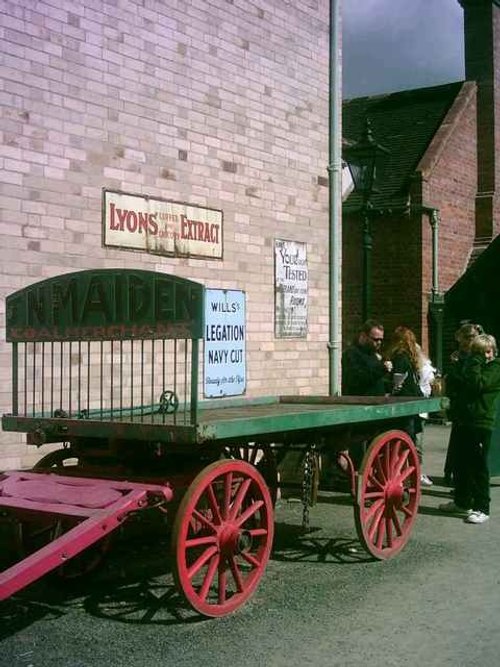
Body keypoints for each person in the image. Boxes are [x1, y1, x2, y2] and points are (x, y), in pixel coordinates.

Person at [439, 333, 500, 524]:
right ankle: (462, 501)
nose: (484, 356)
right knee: (461, 463)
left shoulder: (495, 367)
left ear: (493, 351)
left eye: (487, 352)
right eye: (479, 352)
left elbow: (477, 384)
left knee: (479, 466)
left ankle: (482, 507)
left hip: (481, 421)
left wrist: (474, 363)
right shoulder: (469, 364)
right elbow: (455, 381)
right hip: (464, 419)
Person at [385, 326, 432, 485]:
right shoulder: (413, 357)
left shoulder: (399, 357)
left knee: (402, 443)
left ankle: (403, 478)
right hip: (414, 402)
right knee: (411, 442)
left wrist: (391, 388)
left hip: (403, 404)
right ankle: (413, 475)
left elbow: (398, 379)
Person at [443, 322, 483, 484]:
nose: (469, 341)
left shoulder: (478, 357)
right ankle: (451, 474)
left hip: (474, 407)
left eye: (473, 337)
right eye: (467, 338)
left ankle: (468, 481)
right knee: (457, 443)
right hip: (460, 405)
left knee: (471, 447)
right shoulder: (457, 357)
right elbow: (453, 380)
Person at [341, 319, 393, 396]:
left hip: (376, 403)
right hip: (361, 403)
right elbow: (358, 380)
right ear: (363, 336)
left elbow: (375, 381)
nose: (379, 342)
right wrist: (382, 368)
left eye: (381, 340)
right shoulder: (351, 354)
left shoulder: (372, 354)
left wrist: (391, 386)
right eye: (375, 339)